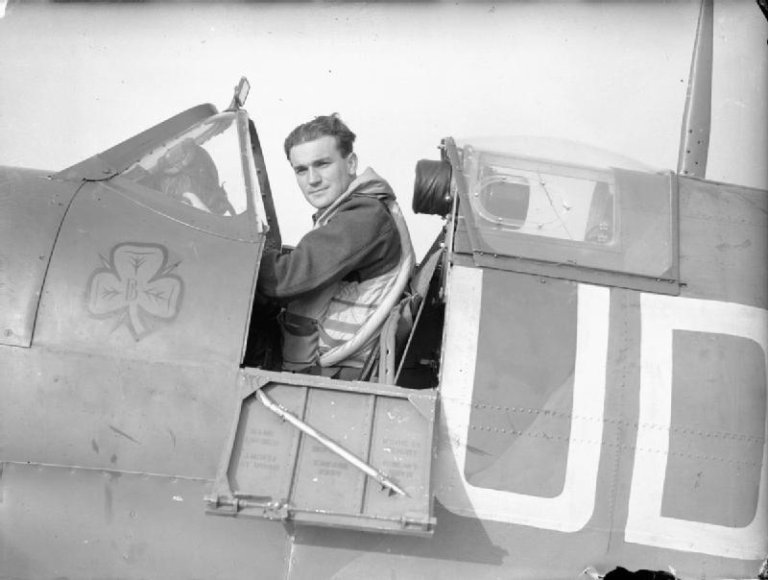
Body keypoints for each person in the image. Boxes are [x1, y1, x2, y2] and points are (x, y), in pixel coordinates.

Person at [256, 114, 414, 376]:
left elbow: (285, 279)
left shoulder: (364, 216)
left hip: (333, 374)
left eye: (323, 164)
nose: (312, 179)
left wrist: (232, 252)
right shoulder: (348, 211)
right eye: (301, 170)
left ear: (350, 163)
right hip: (326, 364)